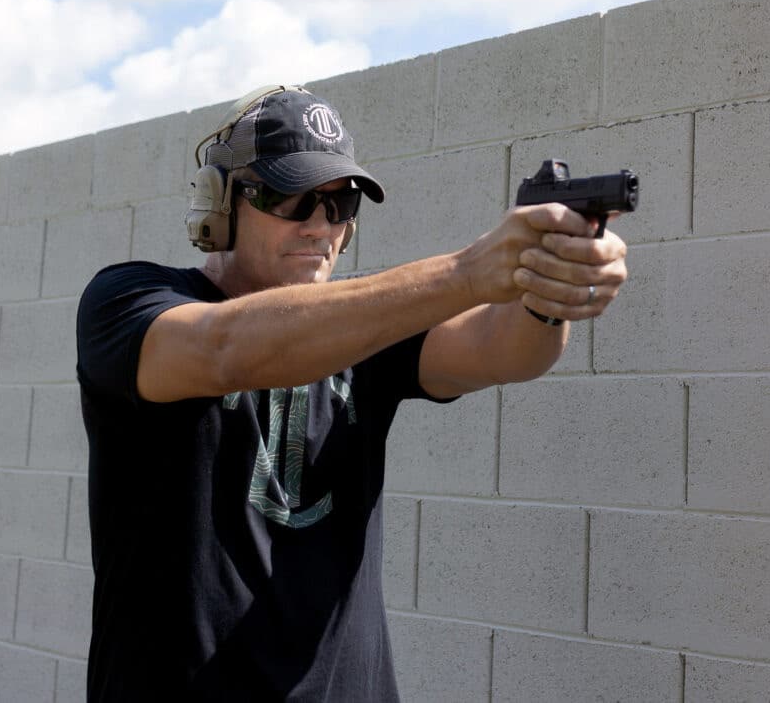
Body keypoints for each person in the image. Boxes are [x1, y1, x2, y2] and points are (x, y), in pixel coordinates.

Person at [75, 84, 627, 701]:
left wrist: (550, 292)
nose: (320, 225)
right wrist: (469, 272)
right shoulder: (128, 300)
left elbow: (501, 351)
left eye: (340, 204)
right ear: (221, 201)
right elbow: (225, 349)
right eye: (293, 197)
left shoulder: (364, 326)